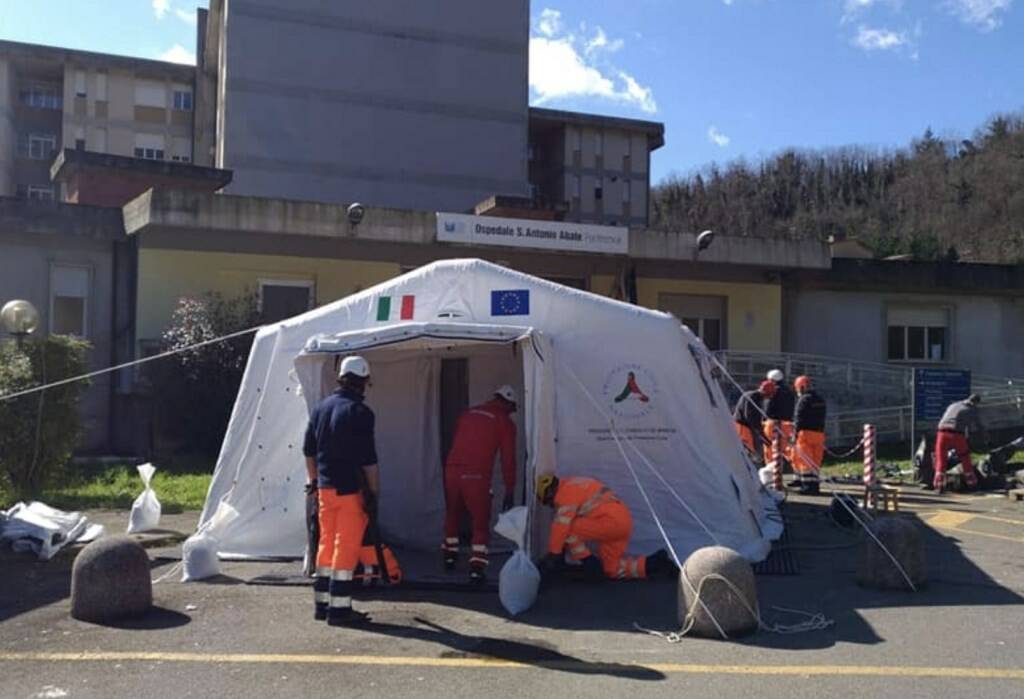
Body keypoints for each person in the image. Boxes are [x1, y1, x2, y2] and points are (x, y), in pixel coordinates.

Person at [303, 355, 379, 626]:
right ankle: (340, 610)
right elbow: (369, 460)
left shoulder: (320, 408)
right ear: (363, 382)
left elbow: (308, 451)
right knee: (345, 548)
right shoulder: (361, 413)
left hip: (325, 490)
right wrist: (373, 493)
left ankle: (321, 604)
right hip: (350, 490)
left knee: (325, 544)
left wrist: (314, 481)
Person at [441, 385, 519, 583]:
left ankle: (449, 556)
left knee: (452, 513)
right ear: (508, 402)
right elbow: (508, 459)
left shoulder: (468, 413)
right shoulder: (504, 422)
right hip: (476, 475)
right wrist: (510, 488)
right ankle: (477, 567)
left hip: (451, 469)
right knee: (480, 521)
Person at [535, 474, 675, 581]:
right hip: (622, 522)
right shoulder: (576, 483)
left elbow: (561, 525)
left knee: (568, 529)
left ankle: (589, 563)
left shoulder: (564, 493)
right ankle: (654, 563)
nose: (553, 506)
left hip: (610, 522)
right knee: (611, 569)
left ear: (549, 494)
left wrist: (554, 554)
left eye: (549, 503)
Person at [933, 394, 984, 493]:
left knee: (941, 459)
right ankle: (972, 484)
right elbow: (978, 426)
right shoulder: (972, 409)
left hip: (941, 432)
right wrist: (984, 437)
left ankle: (939, 485)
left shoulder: (953, 405)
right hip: (957, 434)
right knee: (965, 458)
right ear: (976, 402)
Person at [792, 375, 827, 495]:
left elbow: (798, 418)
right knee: (815, 463)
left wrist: (794, 435)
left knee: (805, 462)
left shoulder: (804, 400)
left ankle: (807, 487)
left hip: (805, 434)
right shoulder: (820, 399)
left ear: (801, 387)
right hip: (819, 434)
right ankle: (815, 486)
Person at [734, 380, 777, 459]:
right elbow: (751, 418)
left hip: (743, 427)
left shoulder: (752, 395)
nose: (769, 397)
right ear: (767, 393)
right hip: (743, 428)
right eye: (770, 395)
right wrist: (762, 436)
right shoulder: (754, 398)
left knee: (749, 452)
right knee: (747, 453)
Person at [762, 369, 797, 467]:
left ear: (772, 380)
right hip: (787, 424)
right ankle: (784, 468)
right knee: (784, 449)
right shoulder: (790, 392)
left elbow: (768, 408)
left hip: (772, 424)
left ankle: (771, 473)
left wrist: (764, 419)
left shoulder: (772, 390)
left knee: (770, 450)